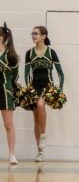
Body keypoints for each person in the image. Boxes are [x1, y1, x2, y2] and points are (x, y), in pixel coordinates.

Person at [24, 26, 64, 162]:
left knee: (41, 105)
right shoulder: (29, 53)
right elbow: (26, 74)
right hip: (34, 87)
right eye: (32, 34)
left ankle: (44, 135)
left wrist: (60, 89)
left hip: (47, 86)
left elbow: (60, 73)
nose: (33, 36)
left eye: (36, 34)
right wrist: (29, 89)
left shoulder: (51, 52)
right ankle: (40, 152)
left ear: (44, 36)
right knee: (35, 119)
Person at [0, 23, 19, 165]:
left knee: (8, 124)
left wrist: (13, 92)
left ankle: (12, 154)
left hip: (5, 92)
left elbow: (15, 77)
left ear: (2, 38)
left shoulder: (10, 55)